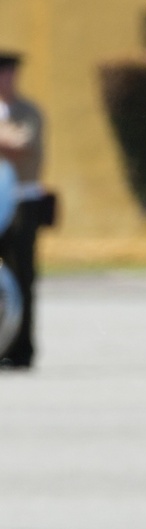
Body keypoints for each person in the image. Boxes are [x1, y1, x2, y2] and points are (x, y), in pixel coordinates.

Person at [0, 51, 47, 368]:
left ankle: (21, 349)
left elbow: (22, 145)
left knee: (22, 275)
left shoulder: (27, 110)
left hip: (21, 201)